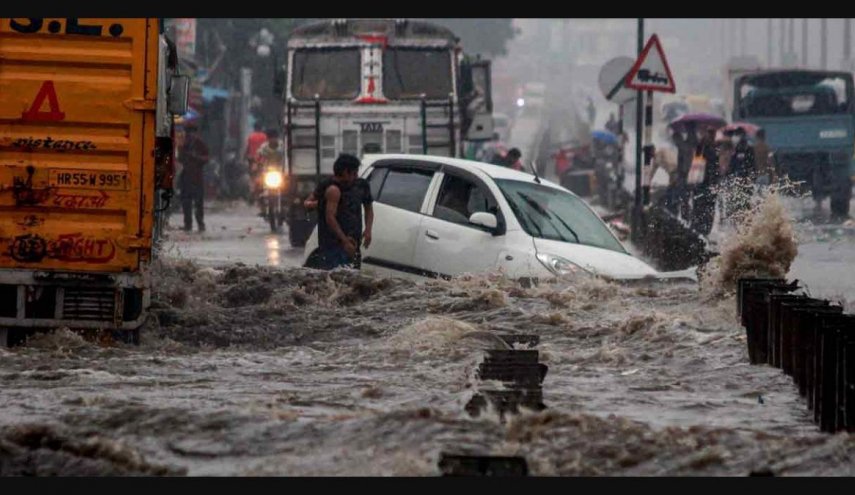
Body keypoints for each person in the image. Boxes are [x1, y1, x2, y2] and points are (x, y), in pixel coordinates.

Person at [303, 154, 373, 270]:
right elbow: (327, 216)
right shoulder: (329, 187)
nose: (356, 176)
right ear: (346, 172)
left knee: (352, 279)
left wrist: (368, 229)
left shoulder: (361, 186)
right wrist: (321, 203)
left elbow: (369, 208)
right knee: (334, 277)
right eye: (354, 173)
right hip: (331, 244)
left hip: (353, 242)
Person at [177, 120, 209, 232]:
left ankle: (200, 223)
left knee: (198, 202)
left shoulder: (199, 143)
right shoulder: (183, 144)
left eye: (191, 132)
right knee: (186, 202)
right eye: (187, 132)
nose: (189, 134)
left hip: (197, 177)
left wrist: (196, 157)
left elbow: (206, 158)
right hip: (185, 177)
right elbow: (179, 159)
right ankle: (188, 224)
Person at [691, 128, 721, 236]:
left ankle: (705, 231)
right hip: (701, 183)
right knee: (699, 207)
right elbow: (696, 162)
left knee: (709, 208)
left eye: (713, 134)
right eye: (710, 134)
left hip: (711, 183)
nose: (712, 136)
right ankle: (697, 230)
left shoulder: (715, 148)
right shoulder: (702, 147)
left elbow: (716, 167)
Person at [724, 128, 756, 219]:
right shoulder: (736, 148)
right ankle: (739, 219)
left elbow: (753, 164)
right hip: (737, 179)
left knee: (746, 200)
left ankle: (747, 219)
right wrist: (729, 174)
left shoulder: (749, 148)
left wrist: (752, 176)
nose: (738, 137)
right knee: (737, 201)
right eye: (737, 135)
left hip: (747, 179)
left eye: (739, 135)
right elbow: (732, 163)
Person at [671, 122, 698, 219]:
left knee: (685, 198)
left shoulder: (687, 145)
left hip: (687, 174)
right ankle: (687, 216)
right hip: (688, 174)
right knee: (686, 198)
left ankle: (686, 217)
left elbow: (686, 162)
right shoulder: (691, 143)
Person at [253, 129, 285, 212]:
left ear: (277, 138)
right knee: (257, 185)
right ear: (268, 139)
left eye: (274, 138)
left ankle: (286, 206)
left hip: (281, 170)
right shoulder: (264, 147)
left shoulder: (282, 147)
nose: (273, 140)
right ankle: (262, 207)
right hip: (267, 171)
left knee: (287, 187)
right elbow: (258, 156)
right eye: (271, 138)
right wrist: (256, 165)